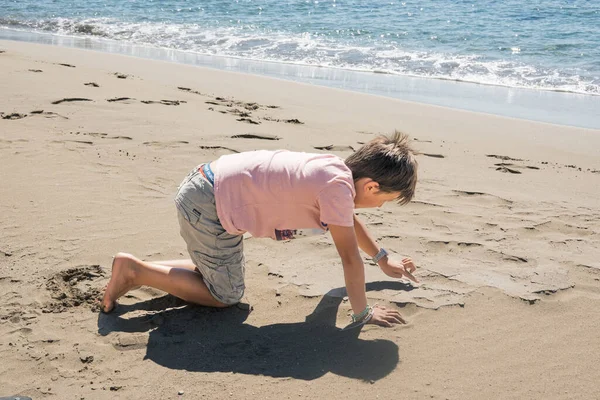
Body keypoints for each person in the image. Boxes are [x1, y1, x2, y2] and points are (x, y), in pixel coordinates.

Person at [101, 131, 419, 327]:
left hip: (207, 188)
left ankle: (141, 268)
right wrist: (362, 314)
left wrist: (381, 257)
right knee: (226, 294)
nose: (380, 208)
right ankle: (135, 272)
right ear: (372, 187)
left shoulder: (335, 173)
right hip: (211, 208)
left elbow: (348, 222)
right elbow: (349, 259)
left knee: (215, 273)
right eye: (385, 201)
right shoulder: (337, 191)